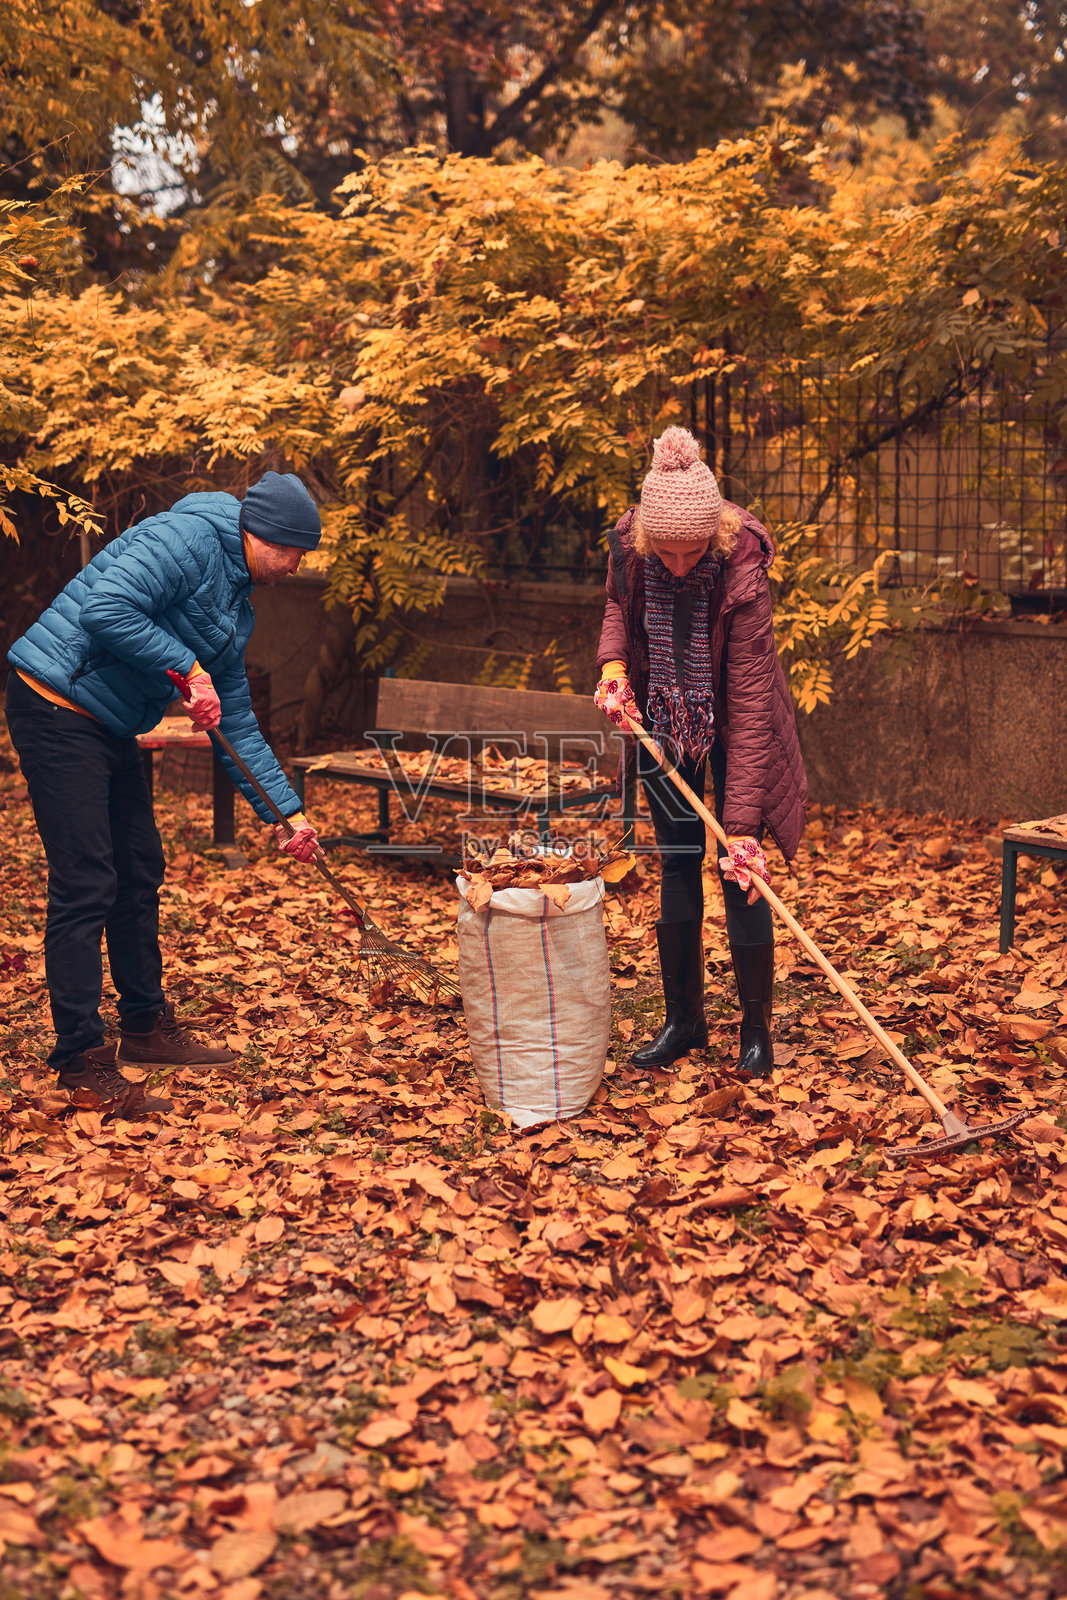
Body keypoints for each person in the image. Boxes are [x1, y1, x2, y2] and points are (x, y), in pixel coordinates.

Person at [5, 471, 326, 1115]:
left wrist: (285, 812)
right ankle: (79, 1060)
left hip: (109, 721)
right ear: (264, 536)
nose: (296, 566)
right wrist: (185, 665)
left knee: (139, 870)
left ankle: (145, 1029)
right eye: (294, 552)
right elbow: (108, 607)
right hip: (56, 701)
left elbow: (234, 717)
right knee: (87, 880)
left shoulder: (236, 604)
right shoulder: (186, 538)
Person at [594, 426, 807, 1075]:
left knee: (736, 871)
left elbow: (747, 703)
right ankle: (683, 1020)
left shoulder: (740, 564)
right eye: (668, 554)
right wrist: (611, 670)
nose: (680, 566)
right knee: (678, 861)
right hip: (663, 711)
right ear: (647, 539)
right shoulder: (632, 548)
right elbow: (617, 608)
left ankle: (755, 1031)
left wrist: (741, 830)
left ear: (712, 537)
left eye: (692, 554)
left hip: (730, 712)